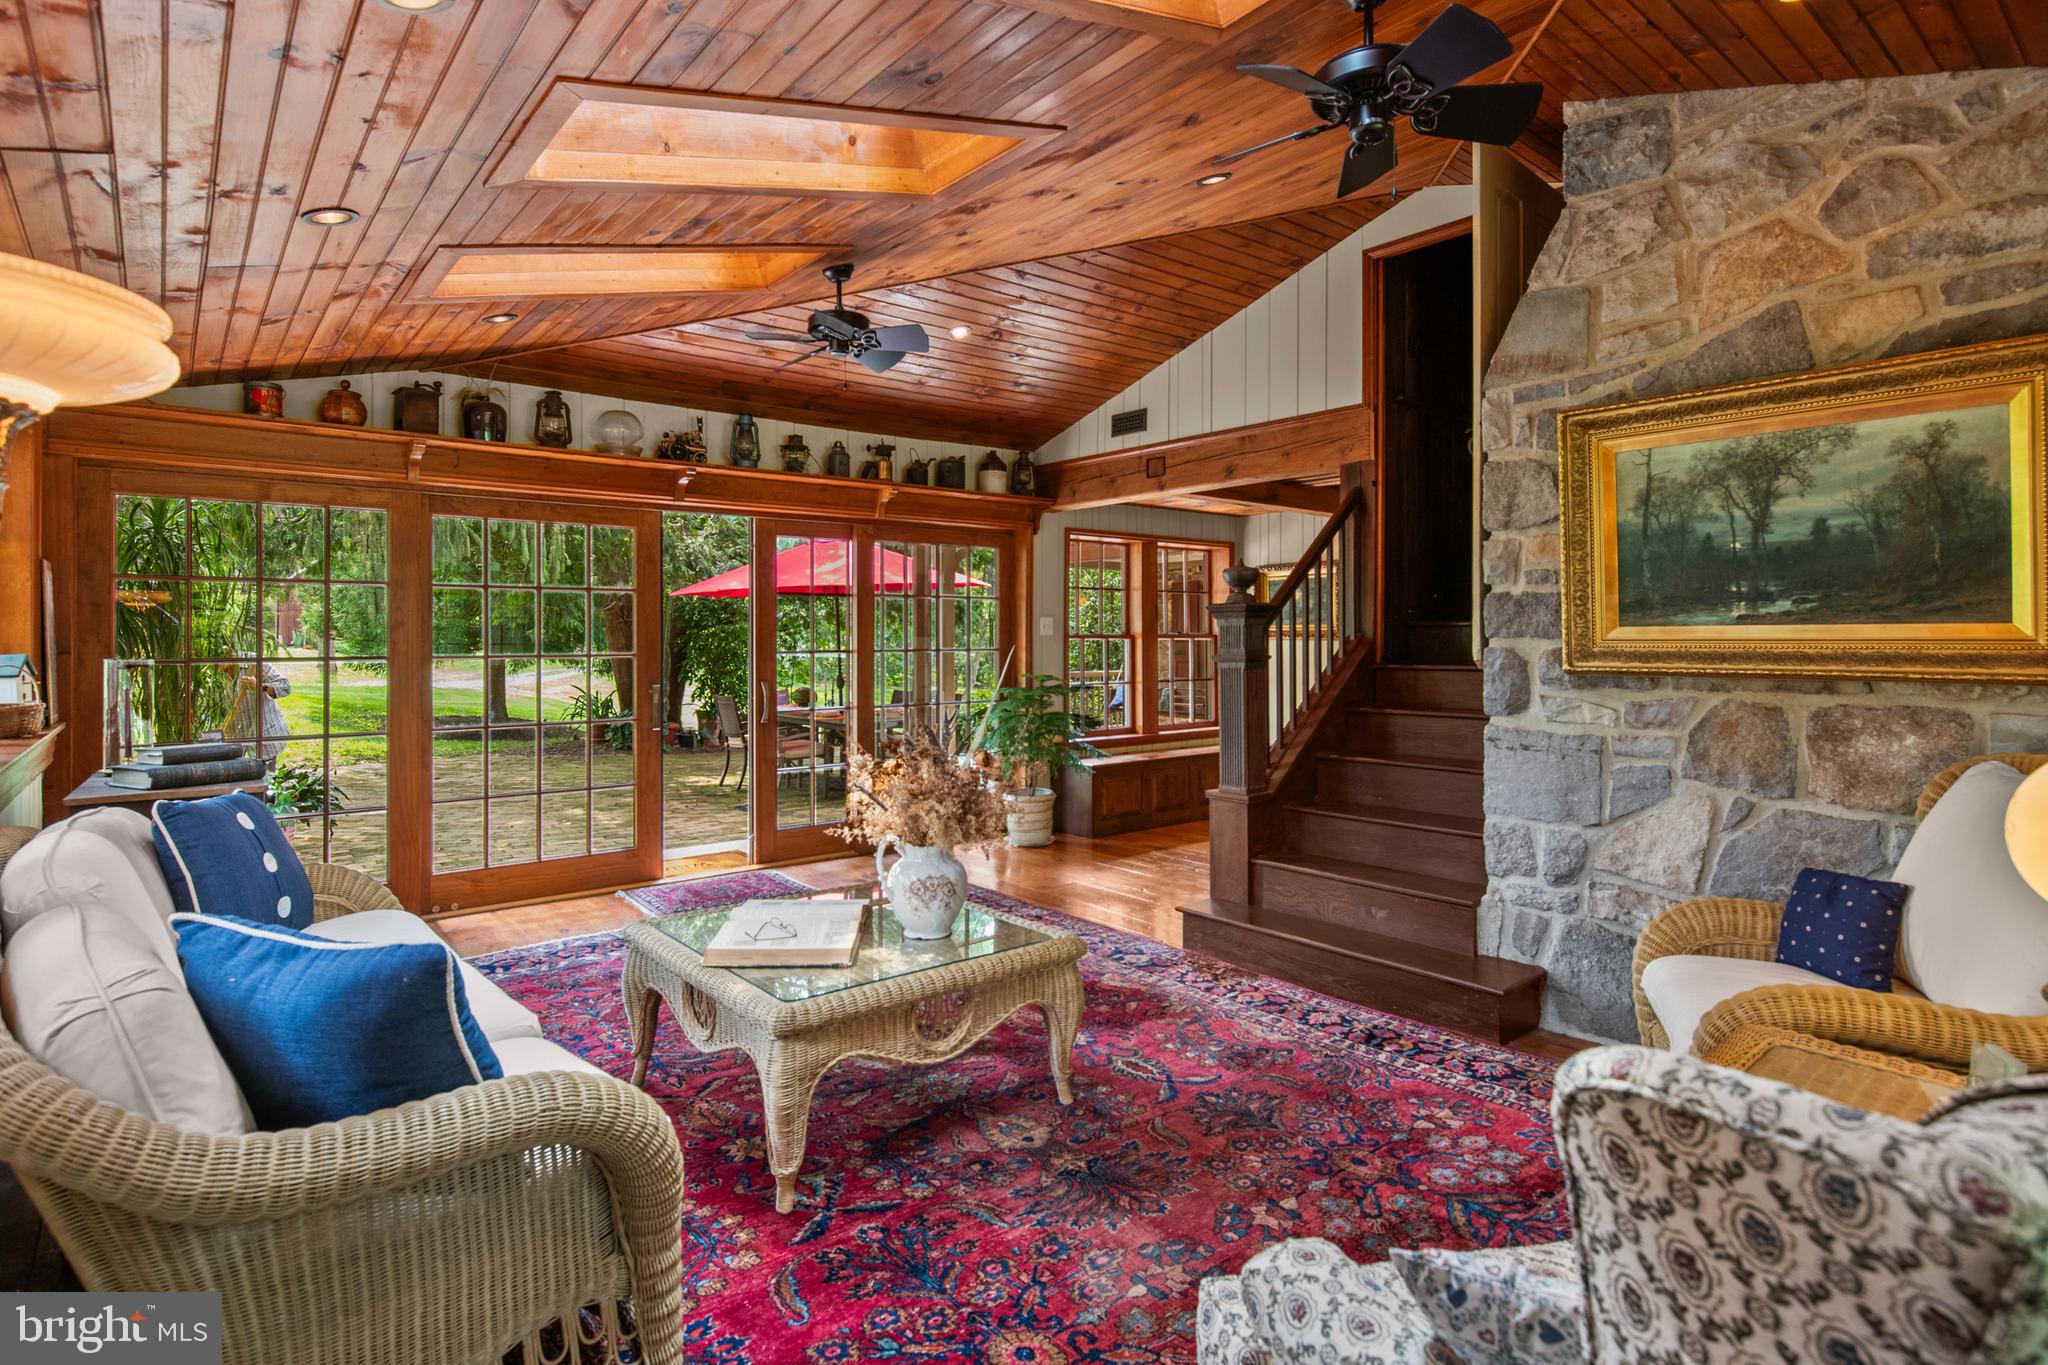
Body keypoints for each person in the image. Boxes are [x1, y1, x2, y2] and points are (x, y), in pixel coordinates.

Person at [228, 662, 293, 768]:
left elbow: (285, 687)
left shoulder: (254, 661)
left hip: (263, 734)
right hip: (233, 737)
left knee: (266, 778)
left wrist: (261, 687)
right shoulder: (209, 669)